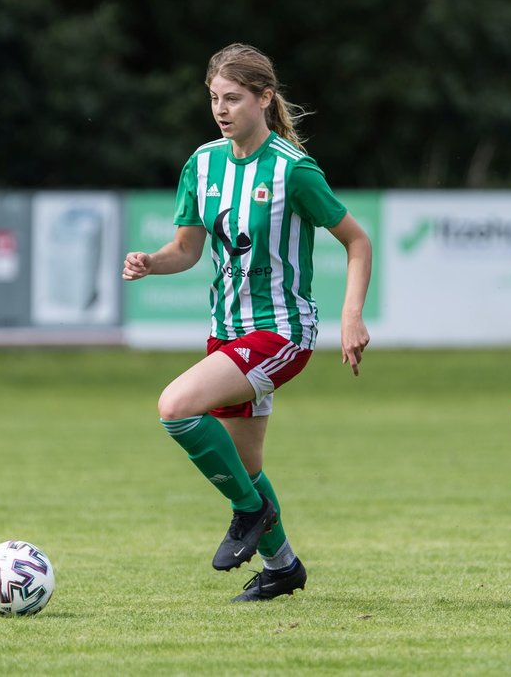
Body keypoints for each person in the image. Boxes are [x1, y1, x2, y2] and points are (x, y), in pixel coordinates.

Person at [123, 43, 372, 602]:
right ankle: (282, 566)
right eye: (214, 97)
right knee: (247, 463)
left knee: (176, 406)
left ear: (265, 98)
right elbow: (187, 249)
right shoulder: (203, 163)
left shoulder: (292, 169)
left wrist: (350, 315)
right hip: (228, 329)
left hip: (282, 331)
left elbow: (357, 241)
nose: (221, 108)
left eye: (233, 98)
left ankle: (250, 512)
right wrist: (152, 263)